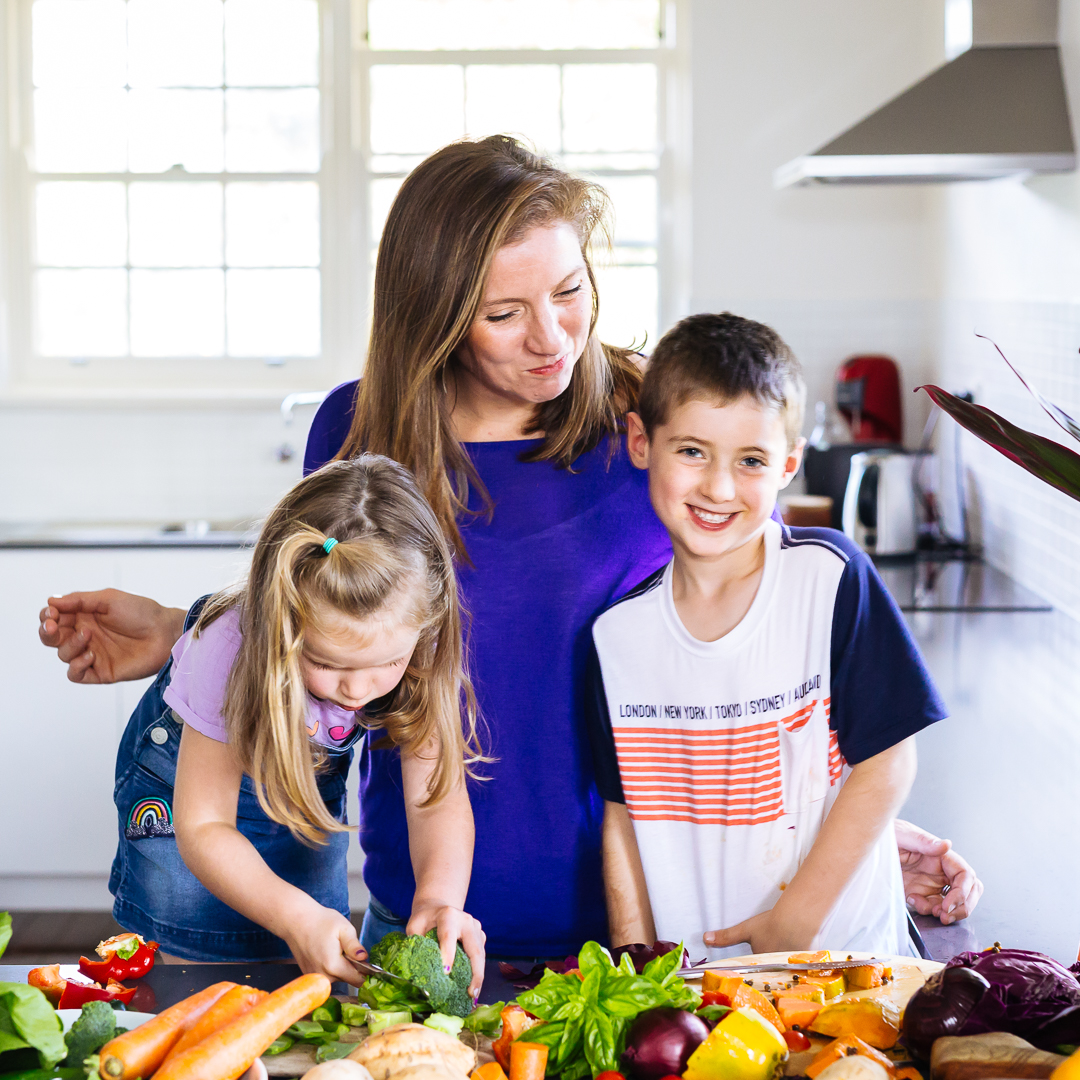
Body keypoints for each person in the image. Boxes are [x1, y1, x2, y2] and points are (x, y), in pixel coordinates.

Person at [38, 136, 980, 956]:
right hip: (431, 922)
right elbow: (336, 608)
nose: (553, 338)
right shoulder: (359, 427)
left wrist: (843, 835)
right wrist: (187, 629)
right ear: (436, 313)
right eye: (503, 314)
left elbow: (765, 655)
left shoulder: (655, 424)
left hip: (657, 918)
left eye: (570, 292)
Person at [591, 313, 946, 956]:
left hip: (847, 967)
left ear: (788, 463)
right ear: (642, 442)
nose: (719, 488)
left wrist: (794, 924)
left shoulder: (831, 577)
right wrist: (633, 969)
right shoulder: (616, 638)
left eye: (750, 460)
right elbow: (622, 819)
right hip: (697, 995)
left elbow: (888, 764)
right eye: (692, 451)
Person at [109, 454, 485, 989]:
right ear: (276, 621)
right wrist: (294, 914)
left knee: (305, 963)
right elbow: (204, 826)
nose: (356, 689)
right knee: (202, 973)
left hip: (299, 790)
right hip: (186, 799)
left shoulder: (422, 638)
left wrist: (439, 899)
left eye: (386, 665)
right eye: (327, 664)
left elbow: (437, 796)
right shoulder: (226, 647)